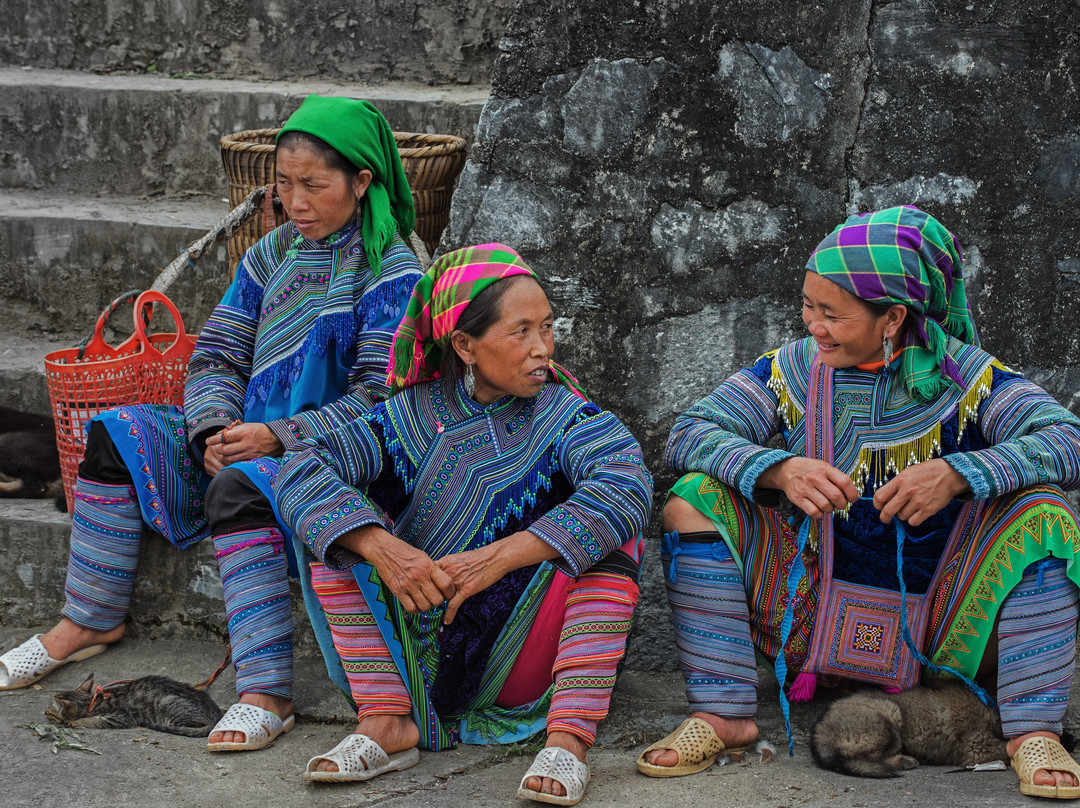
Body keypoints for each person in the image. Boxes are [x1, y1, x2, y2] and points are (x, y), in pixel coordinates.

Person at [0, 95, 424, 755]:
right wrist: (212, 430)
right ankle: (86, 621)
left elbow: (383, 401)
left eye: (314, 185)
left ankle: (266, 693)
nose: (296, 202)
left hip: (330, 463)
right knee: (116, 434)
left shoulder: (392, 272)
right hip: (241, 440)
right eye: (283, 185)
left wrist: (278, 438)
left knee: (242, 486)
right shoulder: (272, 253)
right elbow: (217, 356)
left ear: (363, 180)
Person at [637, 206, 1080, 800]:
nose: (813, 325)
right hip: (809, 616)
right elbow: (690, 432)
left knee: (1045, 513)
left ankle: (1031, 732)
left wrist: (957, 472)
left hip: (947, 632)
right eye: (807, 306)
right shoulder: (790, 369)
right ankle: (724, 713)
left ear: (892, 317)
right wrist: (778, 468)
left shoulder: (970, 379)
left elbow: (1067, 440)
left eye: (832, 314)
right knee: (690, 501)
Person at [273, 242, 652, 805]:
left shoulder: (568, 417)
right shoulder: (402, 416)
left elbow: (627, 484)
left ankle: (568, 739)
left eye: (547, 328)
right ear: (466, 345)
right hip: (410, 647)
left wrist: (502, 555)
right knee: (333, 525)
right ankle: (385, 719)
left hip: (516, 659)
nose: (541, 349)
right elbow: (302, 466)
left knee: (617, 537)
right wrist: (381, 547)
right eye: (520, 331)